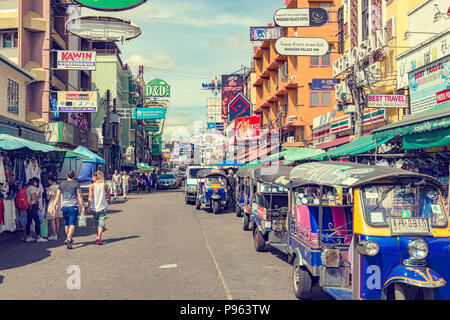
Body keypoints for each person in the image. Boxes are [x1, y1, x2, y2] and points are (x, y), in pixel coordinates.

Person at [54, 170, 86, 249]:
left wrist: (54, 206)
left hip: (64, 206)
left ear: (66, 175)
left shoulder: (61, 184)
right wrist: (83, 206)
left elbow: (57, 196)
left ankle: (69, 237)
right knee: (72, 224)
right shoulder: (76, 184)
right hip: (73, 206)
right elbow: (79, 196)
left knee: (66, 223)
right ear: (74, 176)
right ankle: (68, 239)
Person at [87, 171, 111, 245]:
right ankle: (99, 237)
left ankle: (98, 236)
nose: (92, 178)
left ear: (95, 177)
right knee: (101, 223)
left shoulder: (91, 186)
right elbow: (108, 194)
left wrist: (88, 206)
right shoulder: (104, 184)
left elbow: (90, 196)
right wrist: (110, 200)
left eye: (92, 177)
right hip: (103, 206)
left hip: (94, 207)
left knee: (97, 223)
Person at [25, 178, 47, 243]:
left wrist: (38, 194)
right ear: (34, 182)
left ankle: (28, 236)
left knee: (29, 221)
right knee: (37, 221)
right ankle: (38, 237)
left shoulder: (28, 187)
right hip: (32, 206)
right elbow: (33, 197)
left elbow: (36, 197)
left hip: (29, 206)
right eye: (37, 182)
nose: (37, 184)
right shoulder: (32, 188)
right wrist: (37, 193)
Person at [46, 176, 62, 241]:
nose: (48, 182)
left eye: (49, 181)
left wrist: (46, 192)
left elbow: (48, 198)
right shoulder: (59, 187)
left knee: (52, 220)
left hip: (52, 203)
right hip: (59, 203)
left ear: (51, 180)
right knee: (57, 220)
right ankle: (56, 233)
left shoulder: (50, 188)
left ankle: (54, 234)